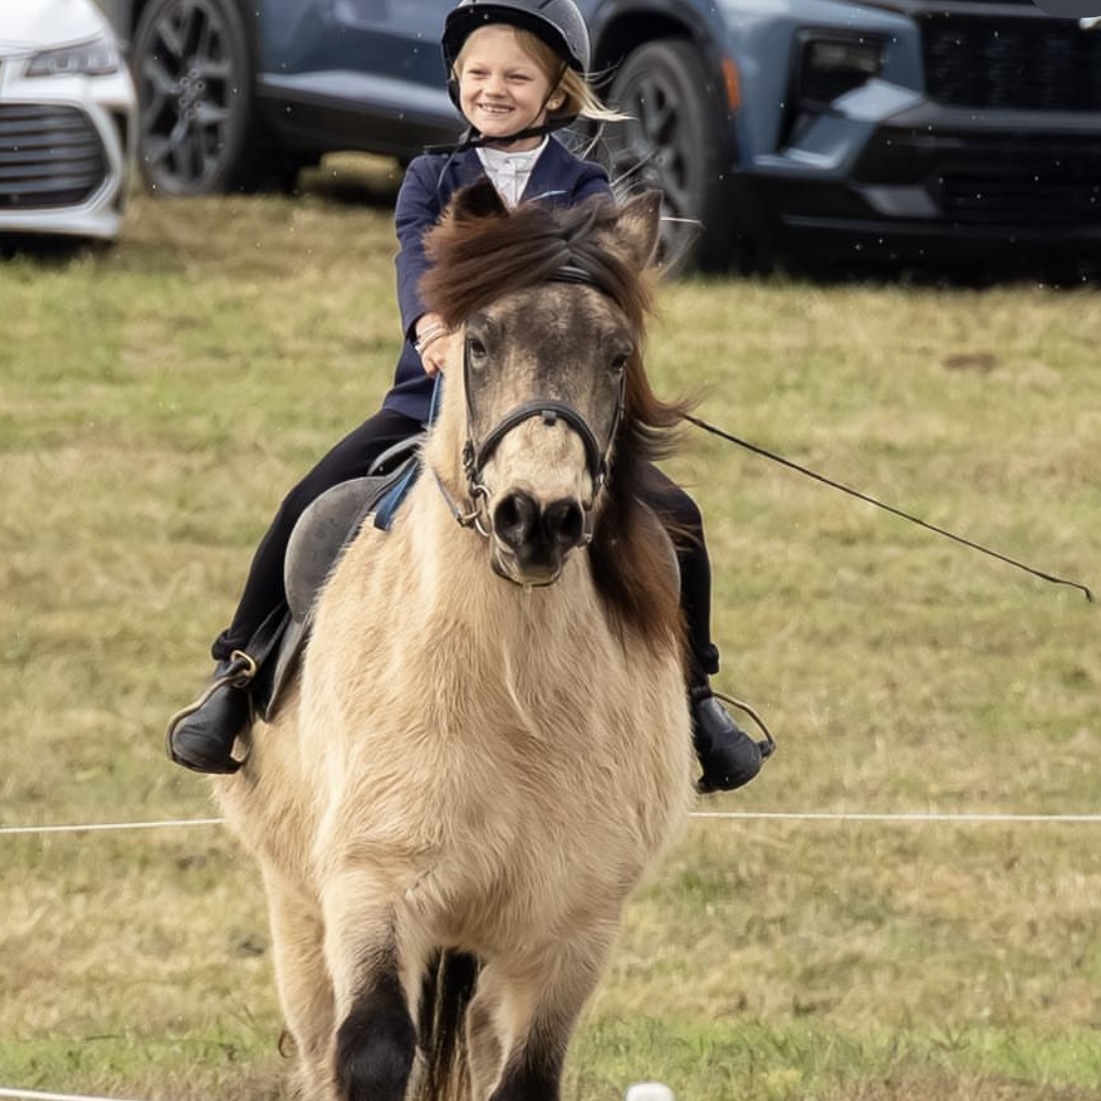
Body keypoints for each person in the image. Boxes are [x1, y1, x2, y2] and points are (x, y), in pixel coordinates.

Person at [167, 0, 765, 794]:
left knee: (678, 518)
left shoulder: (585, 187)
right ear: (456, 82)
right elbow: (416, 263)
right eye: (478, 73)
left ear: (556, 92)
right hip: (430, 400)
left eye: (516, 76)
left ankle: (696, 696)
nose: (493, 89)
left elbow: (595, 293)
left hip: (550, 403)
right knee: (307, 501)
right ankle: (238, 671)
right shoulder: (431, 176)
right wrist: (433, 327)